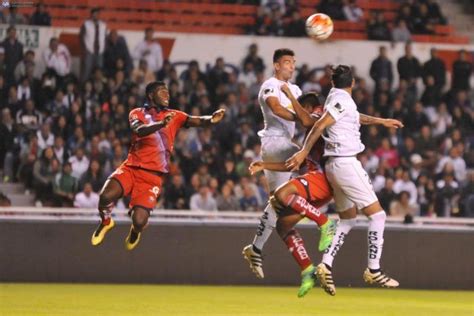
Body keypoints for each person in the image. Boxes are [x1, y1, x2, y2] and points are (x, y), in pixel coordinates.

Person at [286, 65, 402, 295]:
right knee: (378, 215)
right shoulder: (344, 101)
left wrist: (381, 121)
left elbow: (355, 117)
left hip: (332, 166)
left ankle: (326, 263)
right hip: (345, 163)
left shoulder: (334, 97)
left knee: (348, 219)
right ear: (354, 83)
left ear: (333, 83)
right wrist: (303, 152)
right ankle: (374, 269)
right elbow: (319, 125)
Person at [90, 81, 225, 250]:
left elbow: (196, 120)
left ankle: (135, 231)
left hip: (152, 176)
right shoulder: (137, 112)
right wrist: (161, 124)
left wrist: (211, 119)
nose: (167, 95)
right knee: (105, 196)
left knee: (139, 221)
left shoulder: (175, 115)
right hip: (132, 167)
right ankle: (106, 222)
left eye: (168, 92)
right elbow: (139, 130)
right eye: (162, 92)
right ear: (150, 95)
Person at [248, 91, 337, 297]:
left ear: (307, 106)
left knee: (281, 193)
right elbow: (292, 165)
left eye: (298, 109)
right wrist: (265, 165)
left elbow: (306, 119)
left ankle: (325, 222)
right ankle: (307, 270)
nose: (296, 118)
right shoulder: (308, 138)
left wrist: (288, 93)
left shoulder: (320, 114)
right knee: (283, 225)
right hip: (320, 185)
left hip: (324, 177)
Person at [241, 48, 303, 279]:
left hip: (288, 143)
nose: (291, 66)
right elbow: (277, 108)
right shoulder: (270, 84)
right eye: (287, 62)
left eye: (293, 62)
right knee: (280, 200)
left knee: (278, 204)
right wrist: (302, 116)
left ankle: (255, 248)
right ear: (277, 65)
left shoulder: (295, 89)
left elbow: (306, 114)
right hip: (274, 143)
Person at [80, 8, 107, 83]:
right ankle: (83, 88)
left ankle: (98, 89)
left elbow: (105, 37)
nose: (94, 16)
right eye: (93, 15)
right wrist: (84, 50)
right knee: (86, 71)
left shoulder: (103, 25)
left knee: (99, 73)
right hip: (89, 51)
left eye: (96, 14)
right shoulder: (86, 24)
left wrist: (104, 48)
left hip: (100, 52)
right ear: (91, 15)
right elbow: (81, 37)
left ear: (99, 15)